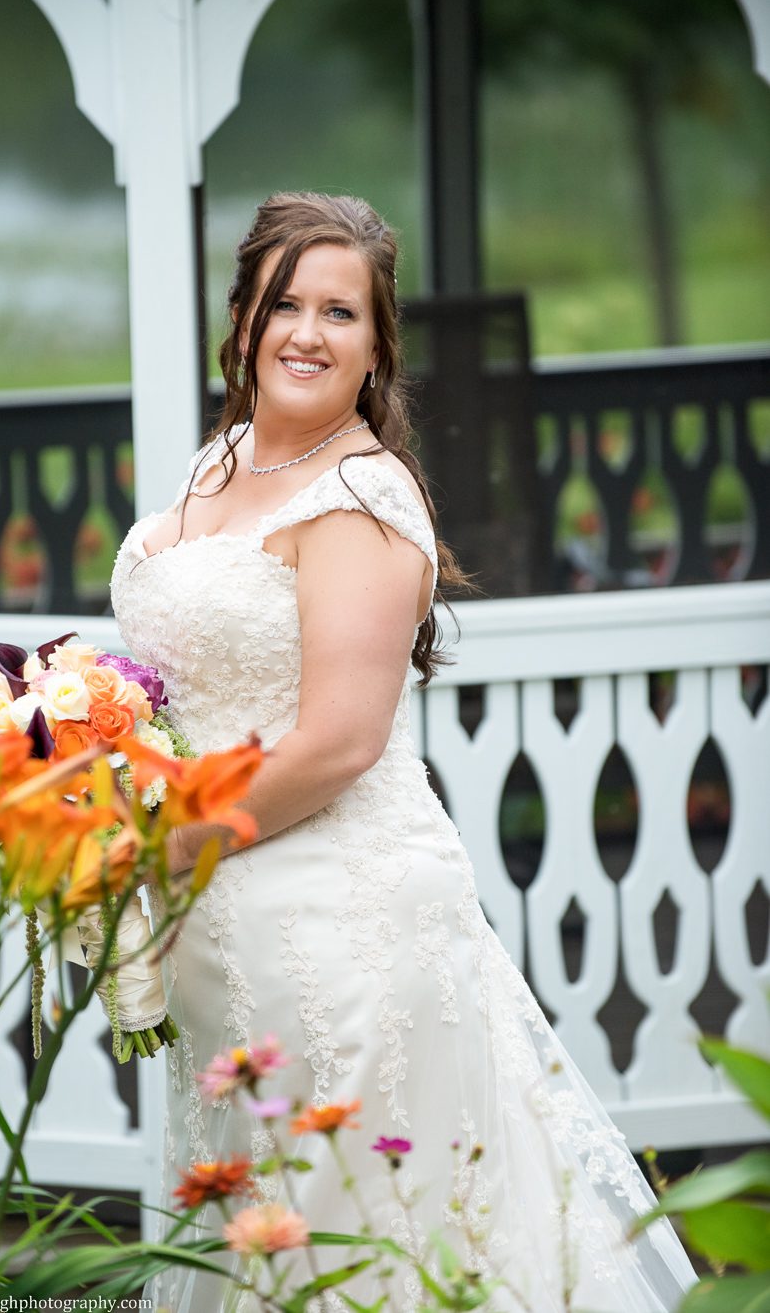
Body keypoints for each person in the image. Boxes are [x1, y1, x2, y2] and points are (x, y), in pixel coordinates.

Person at [110, 192, 697, 1311]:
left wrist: (158, 846)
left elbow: (338, 742)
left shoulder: (361, 496)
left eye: (341, 311)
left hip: (343, 931)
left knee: (371, 1254)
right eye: (283, 302)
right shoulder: (218, 463)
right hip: (228, 949)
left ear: (377, 346)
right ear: (238, 320)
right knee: (266, 1241)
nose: (306, 332)